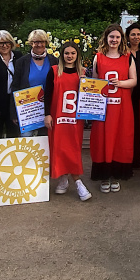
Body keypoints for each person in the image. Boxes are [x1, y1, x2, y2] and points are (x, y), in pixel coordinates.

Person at [90, 23, 137, 193]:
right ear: (106, 38)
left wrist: (121, 83)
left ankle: (116, 175)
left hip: (122, 107)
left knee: (120, 139)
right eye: (111, 37)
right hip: (104, 108)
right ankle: (104, 176)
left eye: (117, 37)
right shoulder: (99, 57)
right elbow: (94, 83)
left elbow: (134, 80)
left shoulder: (128, 57)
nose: (114, 40)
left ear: (121, 39)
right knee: (103, 140)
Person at [44, 41, 92, 201]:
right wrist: (47, 114)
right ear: (62, 55)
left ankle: (76, 181)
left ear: (77, 55)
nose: (69, 56)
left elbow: (89, 98)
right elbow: (48, 94)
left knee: (73, 149)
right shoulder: (54, 71)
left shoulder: (83, 73)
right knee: (59, 149)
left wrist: (86, 84)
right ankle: (65, 179)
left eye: (72, 53)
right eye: (66, 53)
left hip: (74, 120)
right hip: (58, 117)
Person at [12, 29, 57, 136]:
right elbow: (15, 86)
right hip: (28, 110)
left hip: (48, 108)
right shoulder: (21, 62)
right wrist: (14, 113)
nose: (39, 45)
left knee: (46, 141)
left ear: (46, 43)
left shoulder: (54, 61)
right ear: (31, 43)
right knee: (26, 140)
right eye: (36, 42)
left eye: (42, 42)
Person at [126, 22, 140, 169]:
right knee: (129, 126)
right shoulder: (124, 52)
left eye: (138, 34)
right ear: (128, 36)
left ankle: (137, 156)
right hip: (128, 93)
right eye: (133, 34)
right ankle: (128, 157)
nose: (136, 37)